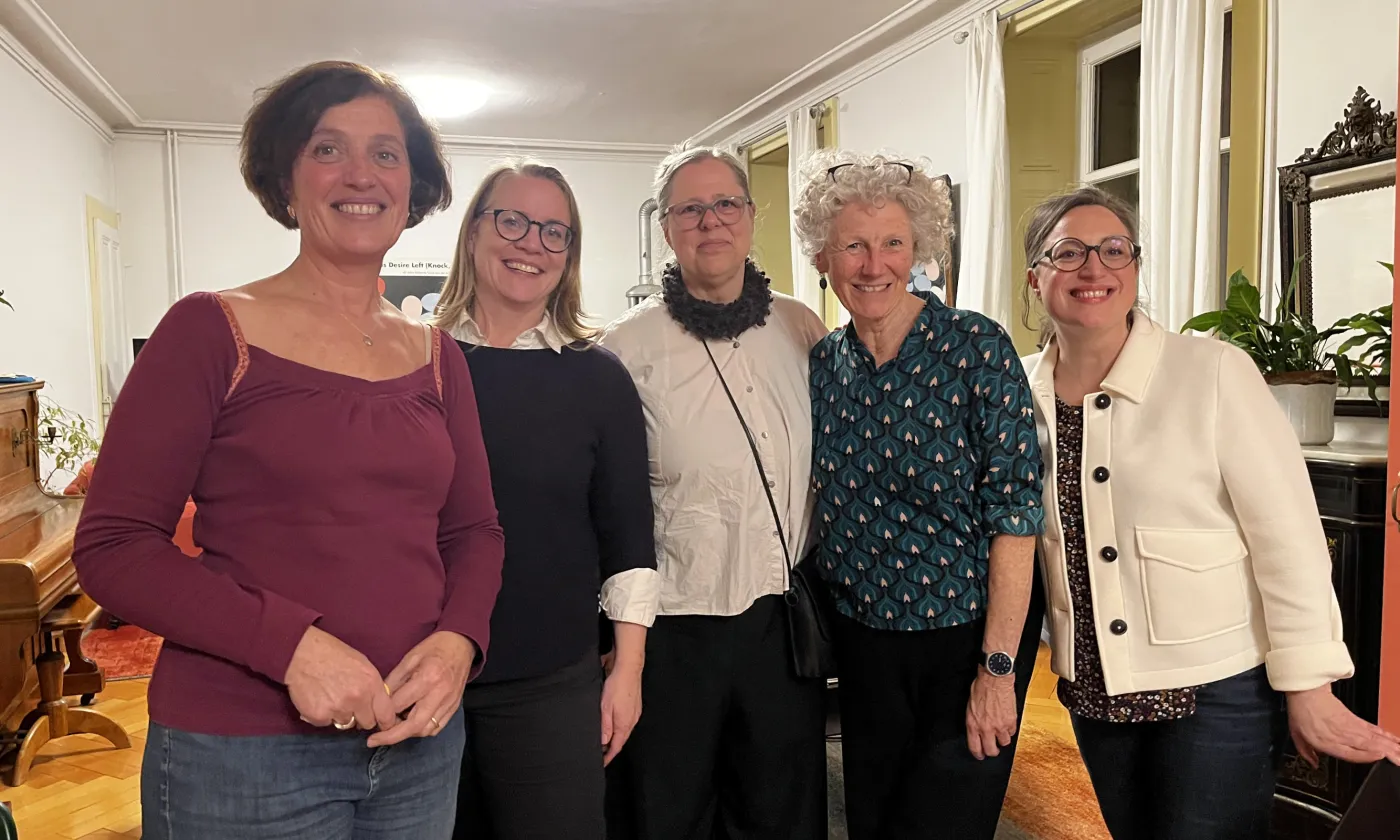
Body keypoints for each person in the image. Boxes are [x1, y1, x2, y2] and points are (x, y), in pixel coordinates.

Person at [71, 60, 506, 840]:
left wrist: (457, 644)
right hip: (241, 756)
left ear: (414, 186)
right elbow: (113, 548)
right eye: (327, 149)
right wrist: (290, 648)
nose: (360, 174)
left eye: (386, 153)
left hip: (416, 747)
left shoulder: (441, 358)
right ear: (286, 178)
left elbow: (473, 532)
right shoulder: (209, 331)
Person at [1019, 185, 1400, 839]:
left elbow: (1287, 537)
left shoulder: (1215, 370)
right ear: (1035, 278)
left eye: (1114, 250)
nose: (1094, 268)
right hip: (1093, 688)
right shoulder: (1014, 391)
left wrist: (1309, 684)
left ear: (1135, 268)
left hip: (1217, 693)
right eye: (1069, 252)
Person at [794, 149, 1045, 840]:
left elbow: (1016, 517)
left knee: (946, 822)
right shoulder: (823, 366)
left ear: (919, 250)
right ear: (824, 257)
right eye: (853, 245)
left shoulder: (976, 349)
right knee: (874, 820)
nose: (874, 265)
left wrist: (997, 671)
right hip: (864, 644)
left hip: (966, 640)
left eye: (893, 243)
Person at [597, 146, 830, 840]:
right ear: (666, 229)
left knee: (781, 807)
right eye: (690, 209)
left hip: (782, 618)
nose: (711, 221)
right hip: (673, 627)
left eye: (725, 204)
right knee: (671, 809)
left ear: (752, 218)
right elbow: (606, 502)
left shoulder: (802, 328)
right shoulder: (623, 349)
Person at [431, 159, 658, 839]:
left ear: (570, 254)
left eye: (554, 231)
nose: (531, 242)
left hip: (550, 680)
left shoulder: (598, 378)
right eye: (512, 220)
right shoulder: (412, 361)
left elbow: (629, 538)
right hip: (416, 671)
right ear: (474, 232)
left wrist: (629, 674)